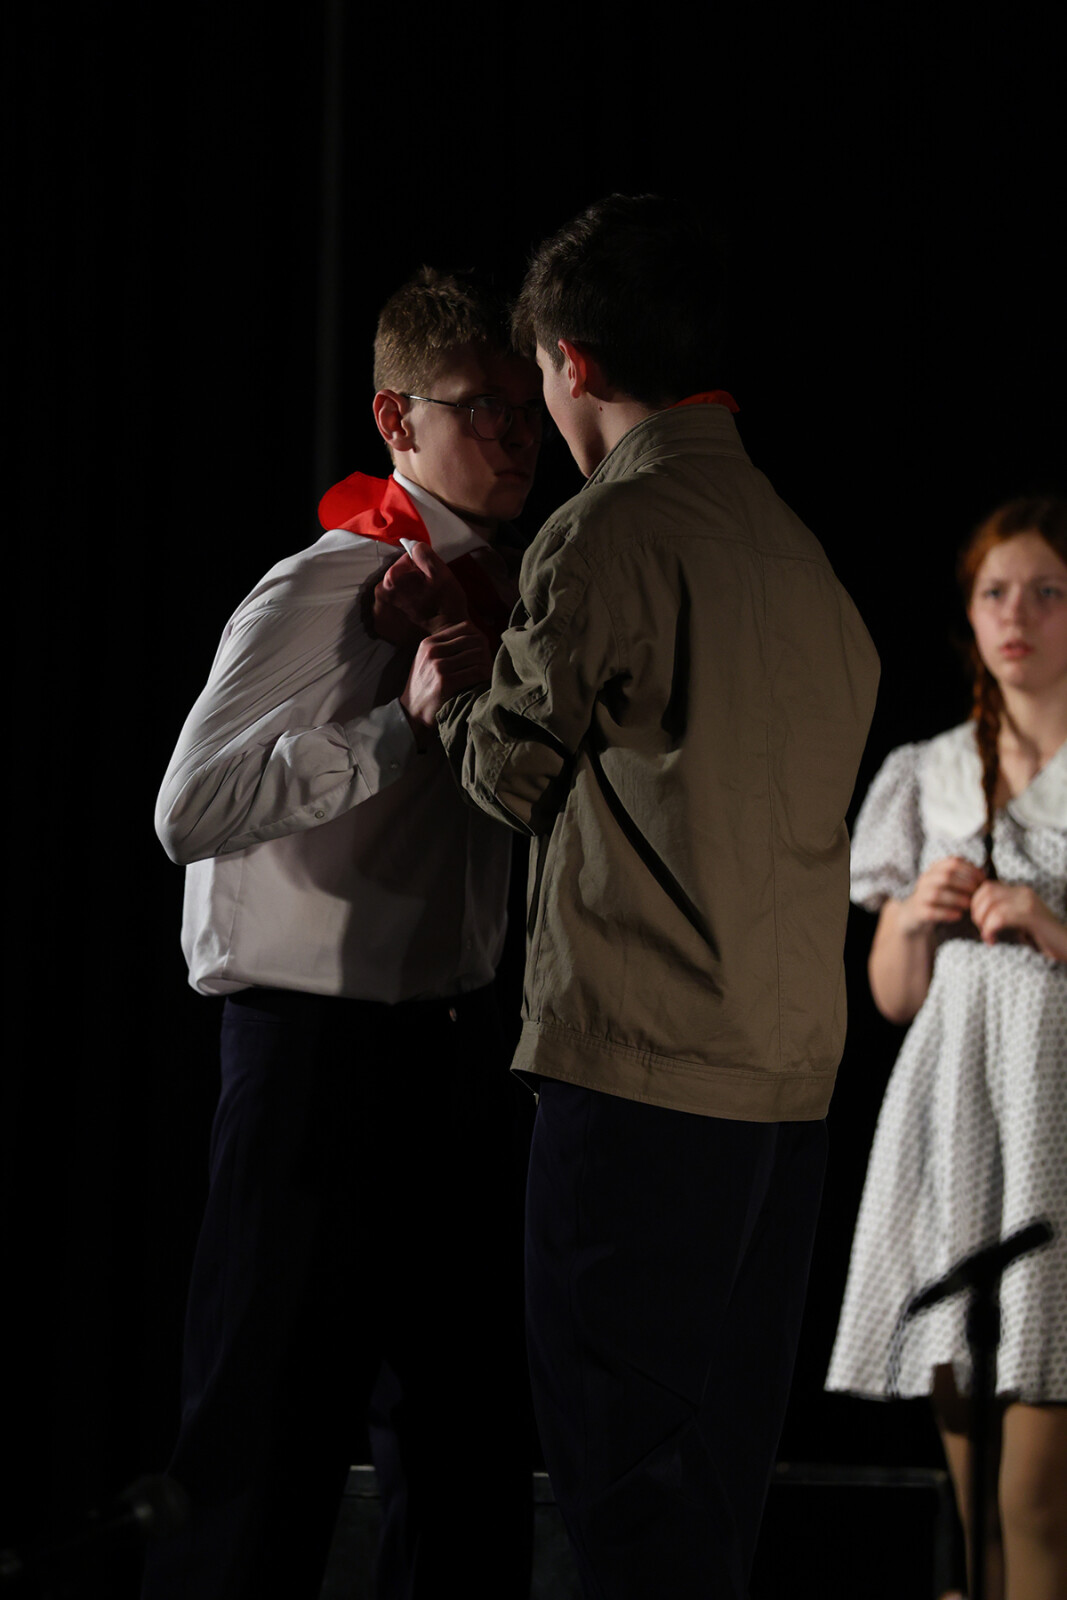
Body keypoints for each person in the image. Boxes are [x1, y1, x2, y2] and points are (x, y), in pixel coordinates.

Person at [380, 194, 881, 1600]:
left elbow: (504, 777)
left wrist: (443, 683)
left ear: (574, 361)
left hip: (641, 1082)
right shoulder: (800, 553)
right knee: (705, 1509)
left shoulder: (607, 528)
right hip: (784, 1093)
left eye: (534, 377)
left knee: (618, 1498)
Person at [143, 267, 543, 1600]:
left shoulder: (523, 590)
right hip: (309, 1066)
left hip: (452, 1056)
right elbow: (187, 811)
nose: (514, 437)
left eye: (524, 409)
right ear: (395, 418)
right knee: (259, 1460)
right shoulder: (320, 584)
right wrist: (393, 728)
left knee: (463, 1465)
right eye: (479, 408)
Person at [826, 498, 1067, 1600]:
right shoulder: (927, 770)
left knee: (1035, 1500)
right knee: (974, 1518)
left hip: (1052, 1118)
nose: (1016, 615)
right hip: (959, 1119)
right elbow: (891, 996)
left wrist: (1048, 923)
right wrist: (915, 916)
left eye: (1045, 593)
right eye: (993, 593)